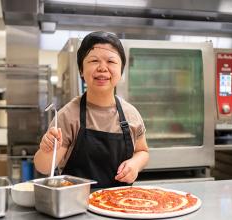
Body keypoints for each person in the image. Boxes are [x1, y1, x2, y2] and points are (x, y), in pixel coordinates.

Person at [34, 31, 149, 188]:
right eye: (94, 60)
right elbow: (44, 167)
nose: (102, 68)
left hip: (120, 204)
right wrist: (47, 149)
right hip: (76, 205)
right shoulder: (68, 116)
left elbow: (143, 152)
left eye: (111, 61)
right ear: (81, 70)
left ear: (121, 71)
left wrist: (135, 164)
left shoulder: (131, 114)